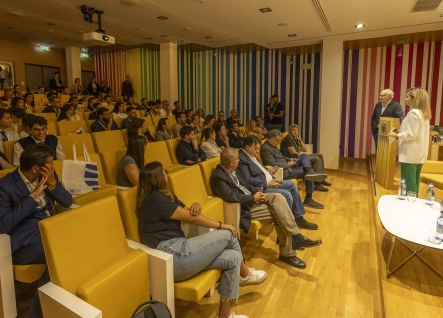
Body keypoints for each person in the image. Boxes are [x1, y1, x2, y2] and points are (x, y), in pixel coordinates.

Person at [137, 161, 266, 318]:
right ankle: (244, 275)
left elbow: (188, 211)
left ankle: (224, 315)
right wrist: (221, 225)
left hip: (180, 250)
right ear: (156, 177)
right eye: (164, 171)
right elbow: (190, 218)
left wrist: (196, 205)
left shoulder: (166, 195)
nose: (167, 173)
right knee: (228, 234)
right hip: (173, 257)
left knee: (233, 257)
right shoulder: (154, 199)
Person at [0, 144, 72, 318]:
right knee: (64, 254)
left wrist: (52, 183)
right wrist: (32, 197)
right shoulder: (3, 186)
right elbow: (3, 224)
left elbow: (67, 202)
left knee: (80, 243)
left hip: (52, 230)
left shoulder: (49, 176)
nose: (52, 167)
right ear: (36, 168)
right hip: (26, 242)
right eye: (50, 164)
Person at [211, 148, 321, 270]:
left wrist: (258, 190)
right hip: (243, 207)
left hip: (253, 197)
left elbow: (246, 185)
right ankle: (290, 249)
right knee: (281, 214)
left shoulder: (233, 170)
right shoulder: (218, 176)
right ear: (231, 162)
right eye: (237, 158)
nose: (239, 160)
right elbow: (231, 196)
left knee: (279, 197)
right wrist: (253, 198)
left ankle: (295, 238)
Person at [238, 136, 316, 229]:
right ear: (247, 147)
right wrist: (267, 183)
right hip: (261, 187)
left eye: (258, 148)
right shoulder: (241, 159)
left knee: (292, 185)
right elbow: (248, 179)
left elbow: (258, 168)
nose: (257, 151)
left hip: (269, 179)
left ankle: (298, 217)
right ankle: (287, 226)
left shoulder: (251, 154)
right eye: (255, 149)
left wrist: (268, 170)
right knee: (287, 194)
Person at [260, 130, 326, 209]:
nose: (279, 142)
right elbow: (274, 164)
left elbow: (282, 157)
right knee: (307, 173)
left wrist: (290, 159)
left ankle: (309, 171)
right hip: (282, 171)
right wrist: (287, 164)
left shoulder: (273, 145)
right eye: (277, 140)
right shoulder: (265, 149)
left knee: (303, 156)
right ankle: (308, 199)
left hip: (287, 165)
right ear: (271, 139)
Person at [388, 87, 431, 195]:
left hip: (410, 153)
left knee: (408, 182)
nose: (405, 99)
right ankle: (413, 201)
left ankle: (409, 203)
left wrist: (396, 135)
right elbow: (415, 132)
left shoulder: (413, 113)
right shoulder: (423, 113)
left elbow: (411, 135)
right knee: (415, 180)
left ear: (414, 98)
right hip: (419, 153)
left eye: (407, 97)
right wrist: (401, 131)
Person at [281, 124, 331, 191]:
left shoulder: (294, 138)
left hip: (300, 156)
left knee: (320, 155)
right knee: (316, 159)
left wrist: (300, 139)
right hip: (295, 159)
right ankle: (317, 184)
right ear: (289, 131)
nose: (296, 132)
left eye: (297, 130)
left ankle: (321, 179)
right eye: (294, 130)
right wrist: (303, 155)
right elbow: (294, 153)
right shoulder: (288, 139)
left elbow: (304, 149)